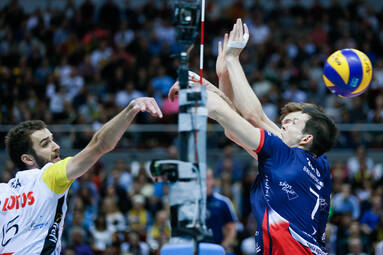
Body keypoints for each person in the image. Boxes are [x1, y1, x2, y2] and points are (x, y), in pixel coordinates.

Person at [169, 18, 337, 254]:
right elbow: (237, 129)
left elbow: (245, 116)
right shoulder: (318, 166)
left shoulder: (283, 154)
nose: (283, 123)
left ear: (306, 138)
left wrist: (230, 61)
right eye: (284, 121)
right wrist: (221, 79)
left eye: (293, 122)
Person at [0, 97, 162, 254]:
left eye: (52, 140)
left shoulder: (3, 192)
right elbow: (100, 144)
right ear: (27, 158)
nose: (56, 146)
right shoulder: (48, 176)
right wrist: (131, 109)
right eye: (45, 144)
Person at [205, 168, 238, 253]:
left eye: (208, 178)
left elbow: (232, 228)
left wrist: (223, 247)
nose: (206, 182)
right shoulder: (190, 202)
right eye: (203, 179)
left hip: (217, 248)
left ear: (213, 181)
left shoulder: (223, 202)